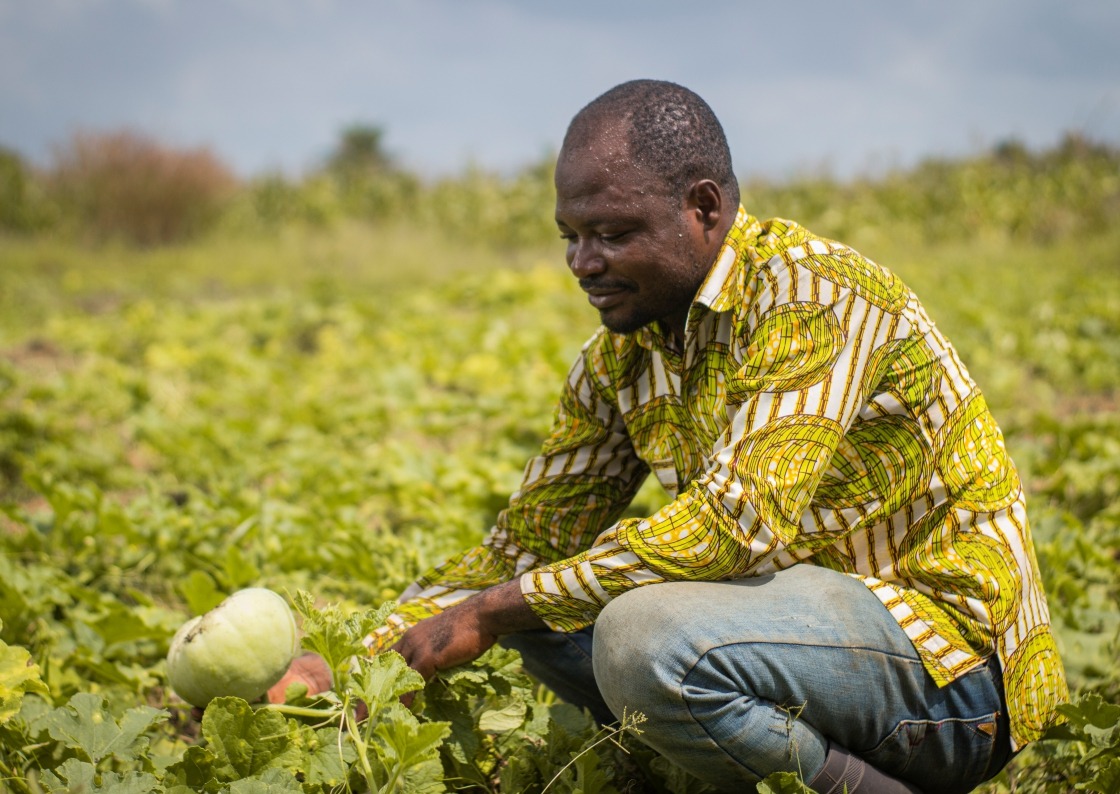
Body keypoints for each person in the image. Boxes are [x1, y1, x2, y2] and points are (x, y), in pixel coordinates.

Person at [284, 80, 1069, 792]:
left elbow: (733, 527)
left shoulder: (813, 296)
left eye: (613, 233)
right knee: (544, 607)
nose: (583, 263)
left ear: (704, 208)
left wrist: (498, 606)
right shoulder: (621, 358)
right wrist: (351, 662)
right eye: (570, 236)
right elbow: (519, 550)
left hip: (951, 673)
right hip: (800, 639)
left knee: (634, 635)